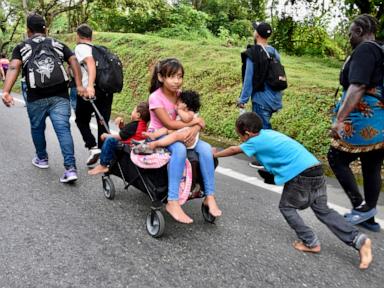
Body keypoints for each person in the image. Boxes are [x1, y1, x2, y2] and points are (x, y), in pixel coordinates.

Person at [213, 112, 372, 269]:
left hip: (301, 175)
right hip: (315, 169)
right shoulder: (268, 133)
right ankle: (359, 240)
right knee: (323, 210)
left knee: (287, 207)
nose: (241, 140)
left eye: (240, 136)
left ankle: (310, 242)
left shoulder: (254, 141)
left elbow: (235, 149)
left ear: (247, 134)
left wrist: (215, 154)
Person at [1, 13, 85, 183]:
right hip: (60, 95)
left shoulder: (22, 47)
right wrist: (80, 85)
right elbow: (74, 61)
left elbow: (13, 67)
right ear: (45, 29)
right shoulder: (57, 44)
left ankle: (42, 158)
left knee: (37, 128)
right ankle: (70, 168)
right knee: (63, 130)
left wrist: (6, 91)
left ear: (28, 30)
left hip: (35, 97)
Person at [328, 14, 384, 232]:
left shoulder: (365, 49)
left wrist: (339, 120)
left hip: (363, 118)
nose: (349, 37)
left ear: (360, 31)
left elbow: (358, 86)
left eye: (350, 33)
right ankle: (368, 218)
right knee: (372, 165)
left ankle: (360, 208)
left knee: (336, 157)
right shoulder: (380, 49)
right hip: (380, 121)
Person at [148, 58, 221, 224]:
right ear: (161, 77)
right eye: (172, 76)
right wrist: (194, 123)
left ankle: (209, 195)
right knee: (179, 149)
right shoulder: (155, 98)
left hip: (184, 133)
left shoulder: (182, 96)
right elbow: (169, 123)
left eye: (179, 76)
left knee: (206, 148)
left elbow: (199, 120)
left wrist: (194, 128)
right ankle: (172, 201)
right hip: (162, 133)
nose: (177, 81)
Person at [238, 21, 283, 169]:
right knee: (265, 127)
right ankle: (269, 157)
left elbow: (248, 79)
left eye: (255, 30)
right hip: (274, 98)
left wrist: (242, 99)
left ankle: (268, 160)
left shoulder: (254, 53)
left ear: (257, 34)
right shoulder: (274, 51)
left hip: (261, 98)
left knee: (263, 130)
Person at [74, 23, 114, 167]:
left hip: (89, 92)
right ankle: (105, 159)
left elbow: (90, 63)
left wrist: (89, 85)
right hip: (106, 91)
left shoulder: (80, 48)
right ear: (91, 36)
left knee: (81, 120)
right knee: (102, 122)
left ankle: (92, 146)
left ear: (78, 36)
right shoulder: (99, 49)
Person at [88, 102, 150, 175]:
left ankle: (103, 164)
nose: (132, 112)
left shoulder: (134, 125)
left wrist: (106, 135)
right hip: (135, 148)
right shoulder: (143, 126)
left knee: (110, 140)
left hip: (128, 149)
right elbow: (128, 134)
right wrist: (122, 127)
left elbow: (120, 136)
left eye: (133, 110)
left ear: (138, 115)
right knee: (111, 139)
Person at [135, 90, 201, 153]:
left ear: (186, 105)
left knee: (175, 136)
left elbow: (187, 119)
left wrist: (179, 110)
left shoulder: (191, 113)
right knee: (166, 129)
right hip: (180, 132)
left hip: (188, 137)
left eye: (179, 102)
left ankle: (156, 144)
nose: (176, 104)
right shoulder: (156, 96)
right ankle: (153, 135)